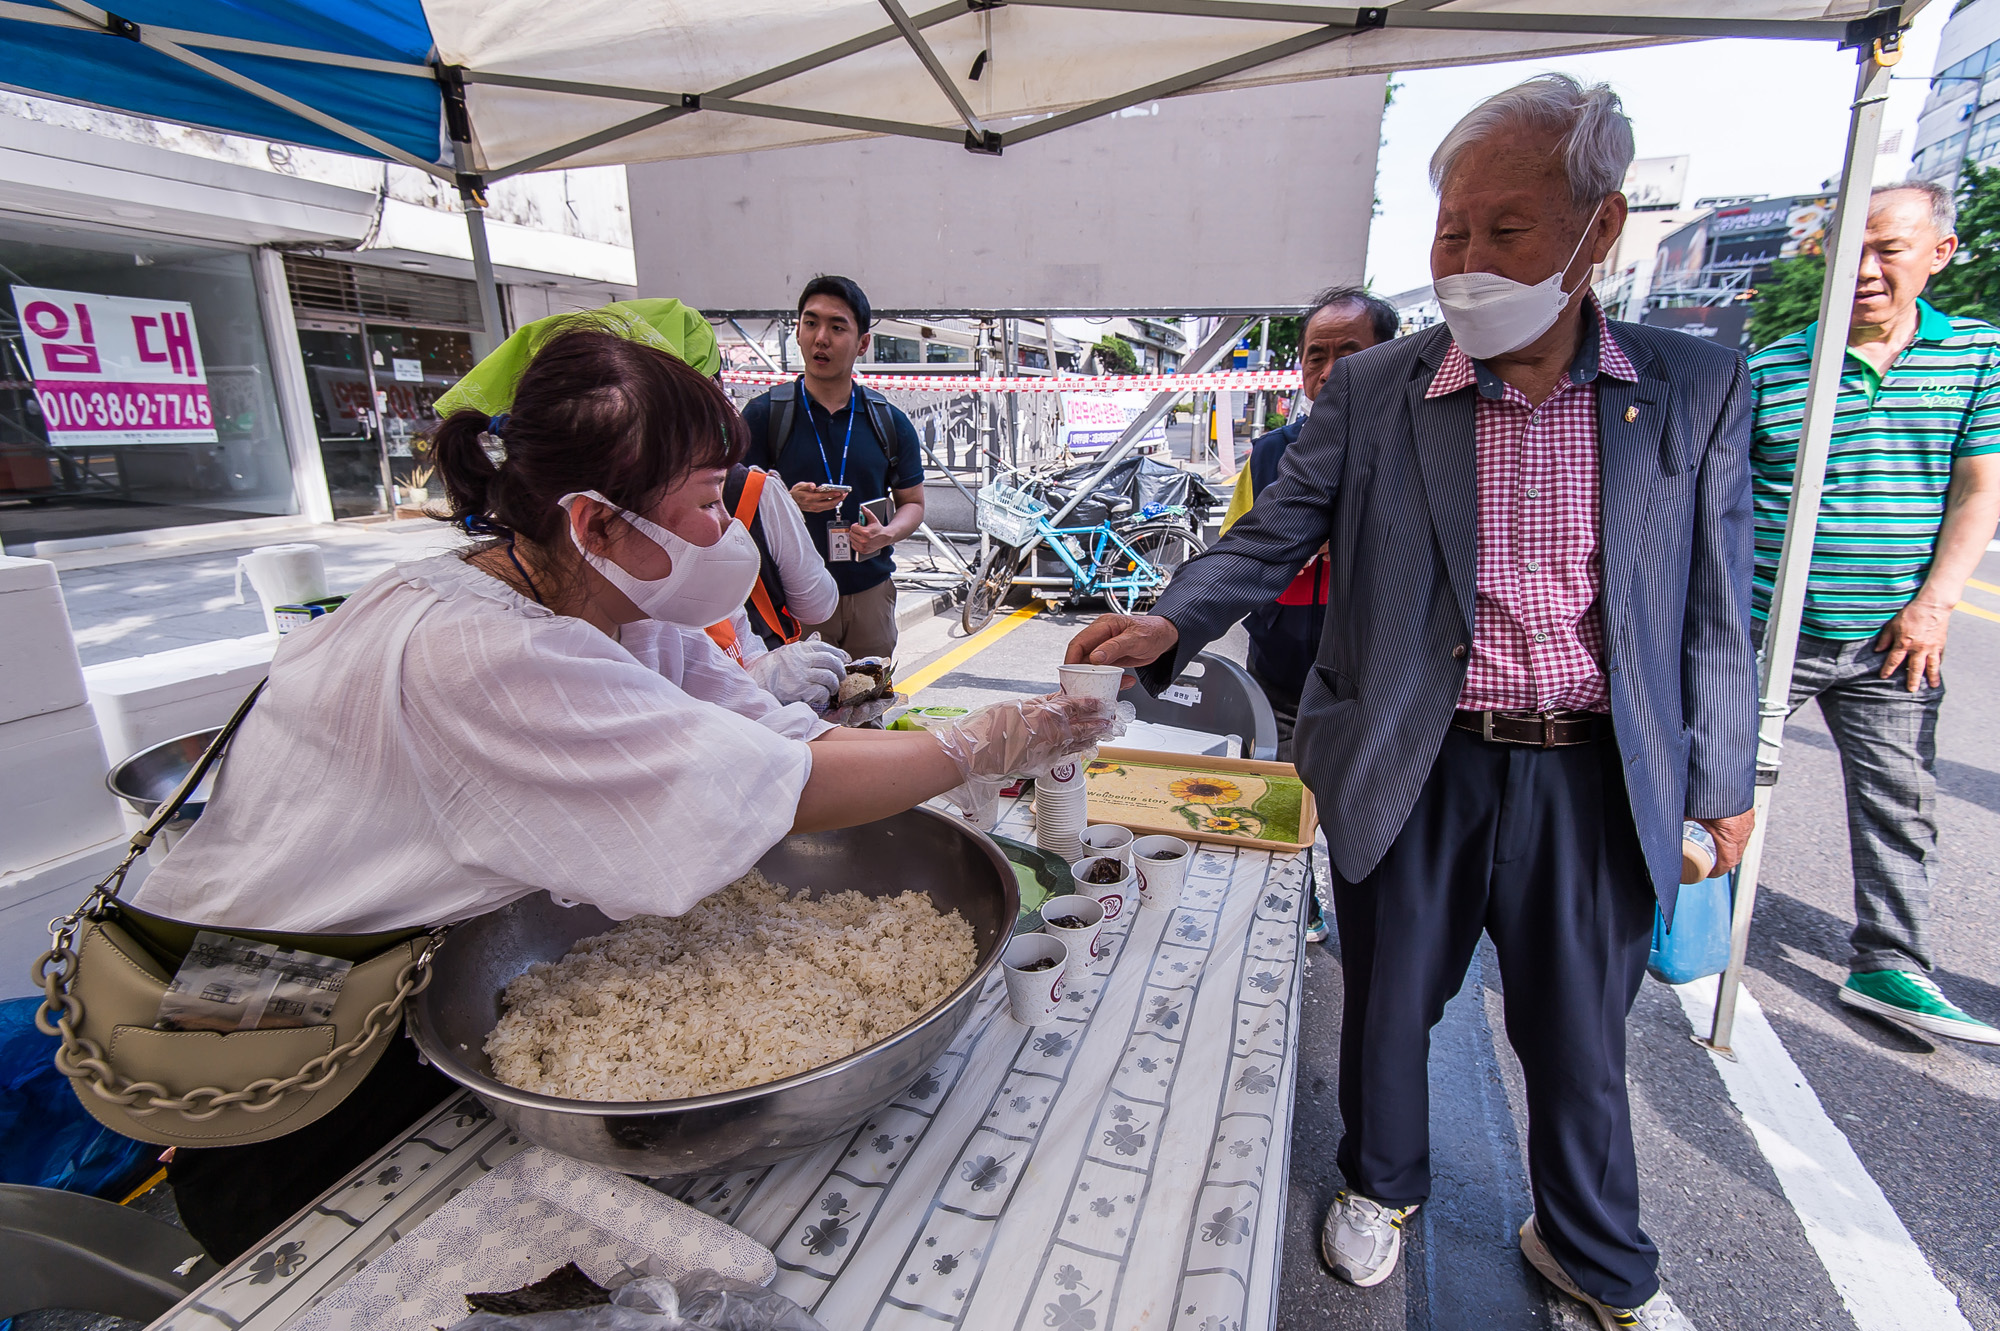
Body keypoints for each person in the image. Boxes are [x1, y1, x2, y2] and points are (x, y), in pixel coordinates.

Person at [130, 322, 1113, 1261]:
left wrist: (968, 735)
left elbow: (771, 737)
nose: (723, 527)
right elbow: (780, 785)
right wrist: (982, 740)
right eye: (699, 502)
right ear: (595, 520)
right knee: (363, 1255)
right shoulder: (481, 649)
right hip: (278, 1033)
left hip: (398, 978)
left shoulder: (589, 592)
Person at [1066, 75, 1755, 1331]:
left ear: (1597, 229)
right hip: (1413, 751)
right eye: (1451, 230)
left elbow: (1714, 603)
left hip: (1591, 768)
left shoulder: (1691, 386)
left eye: (1507, 230)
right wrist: (1175, 617)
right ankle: (1380, 1183)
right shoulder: (1381, 386)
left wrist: (1717, 784)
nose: (1467, 260)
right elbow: (1272, 531)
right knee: (1389, 994)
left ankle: (1594, 1251)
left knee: (1579, 1035)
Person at [1748, 179, 2000, 1044]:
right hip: (1766, 625)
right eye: (1850, 246)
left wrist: (1935, 605)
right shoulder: (1776, 366)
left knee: (1899, 796)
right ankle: (1673, 927)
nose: (1864, 269)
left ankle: (1892, 963)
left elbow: (1980, 486)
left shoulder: (1975, 358)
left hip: (1896, 632)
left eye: (1887, 248)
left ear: (1938, 253)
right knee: (1715, 782)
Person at [1220, 287, 1400, 755]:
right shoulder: (1270, 453)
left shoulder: (1418, 451)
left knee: (1363, 824)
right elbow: (1233, 547)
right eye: (1315, 356)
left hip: (1378, 691)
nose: (1330, 372)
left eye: (1350, 354)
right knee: (1272, 813)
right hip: (1276, 680)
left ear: (1390, 358)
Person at [741, 276, 926, 659]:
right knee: (802, 714)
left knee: (869, 709)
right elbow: (732, 512)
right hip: (793, 599)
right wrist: (784, 503)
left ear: (862, 343)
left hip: (870, 594)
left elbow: (913, 502)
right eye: (811, 323)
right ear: (797, 331)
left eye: (837, 327)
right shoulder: (764, 416)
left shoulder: (888, 421)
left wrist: (887, 534)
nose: (820, 338)